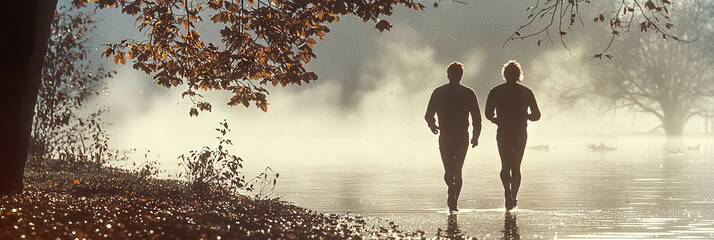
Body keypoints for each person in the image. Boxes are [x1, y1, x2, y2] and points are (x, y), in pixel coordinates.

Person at [425, 62, 482, 214]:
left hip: (446, 136)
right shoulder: (468, 93)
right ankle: (453, 195)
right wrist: (475, 137)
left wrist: (433, 125)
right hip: (462, 136)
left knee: (449, 170)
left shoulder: (439, 92)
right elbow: (477, 119)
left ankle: (452, 194)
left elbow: (428, 115)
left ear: (448, 75)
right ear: (460, 75)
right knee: (457, 170)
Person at [485, 60, 540, 211]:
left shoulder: (495, 91)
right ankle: (513, 196)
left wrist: (496, 120)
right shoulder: (526, 92)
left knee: (505, 165)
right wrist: (525, 116)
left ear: (505, 75)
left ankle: (507, 193)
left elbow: (488, 113)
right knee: (516, 167)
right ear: (518, 75)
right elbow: (537, 115)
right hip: (520, 133)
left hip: (503, 132)